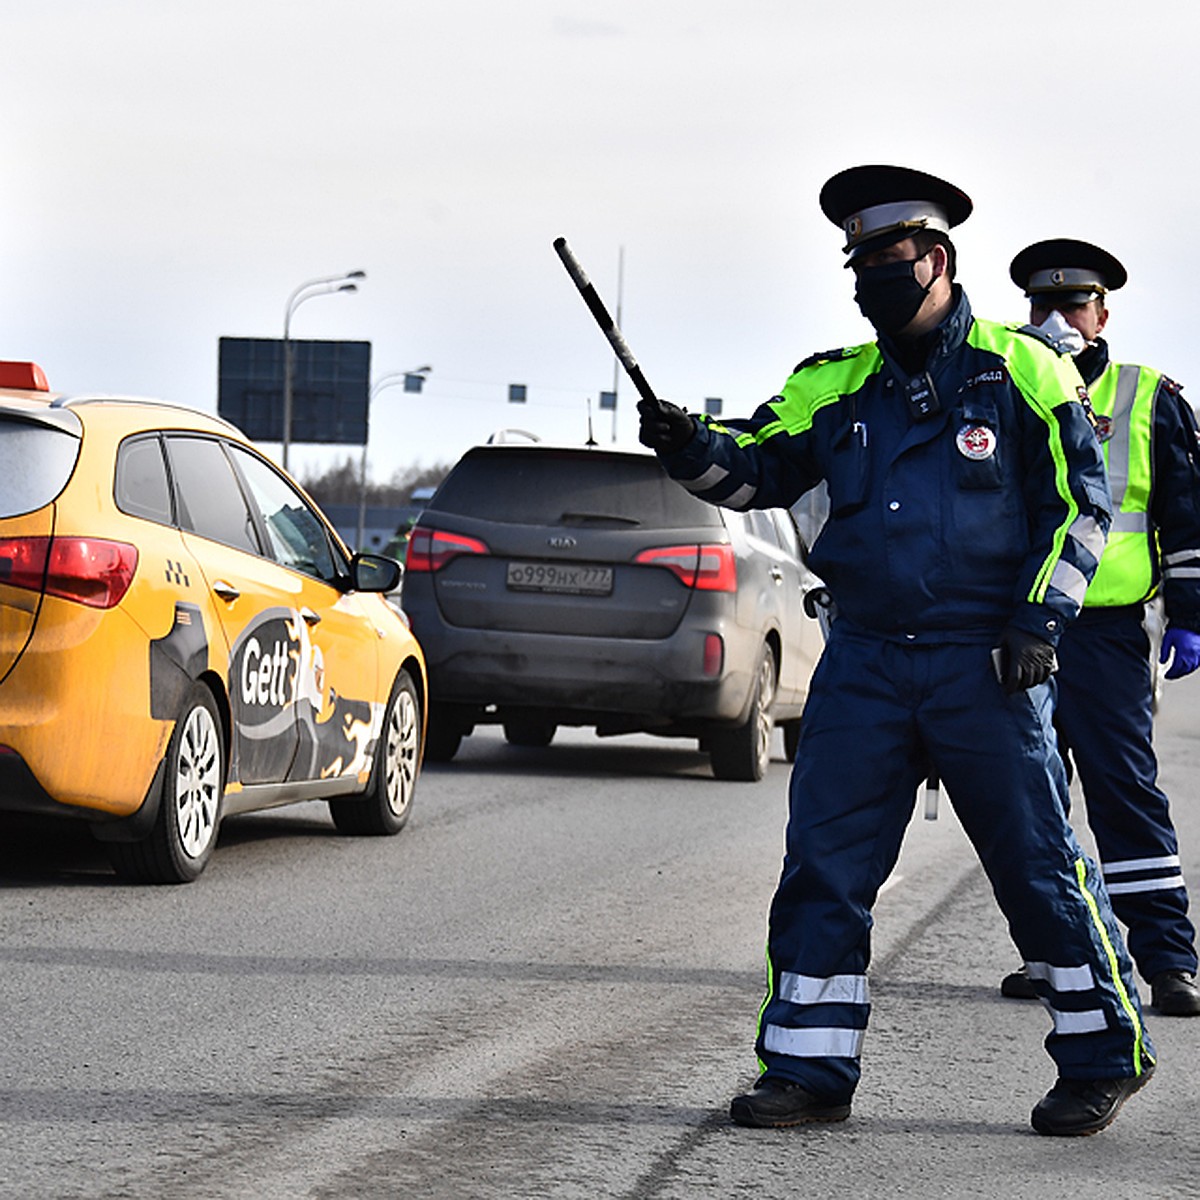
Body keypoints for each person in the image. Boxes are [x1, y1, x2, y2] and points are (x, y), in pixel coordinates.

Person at [638, 165, 1155, 1137]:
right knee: (822, 869)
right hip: (866, 660)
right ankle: (806, 1068)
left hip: (984, 662)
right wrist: (683, 445)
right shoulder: (831, 382)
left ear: (939, 259)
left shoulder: (1024, 371)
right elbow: (750, 471)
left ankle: (1103, 1051)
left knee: (1039, 868)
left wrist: (1041, 621)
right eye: (861, 263)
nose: (875, 276)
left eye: (892, 258)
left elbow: (1082, 508)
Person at [998, 239, 1200, 1016]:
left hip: (1109, 633)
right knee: (1032, 796)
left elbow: (1185, 520)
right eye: (1042, 307)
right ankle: (1056, 956)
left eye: (1073, 304)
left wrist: (1188, 617)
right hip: (1020, 628)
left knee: (1124, 791)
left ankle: (1168, 961)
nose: (1057, 320)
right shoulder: (1002, 383)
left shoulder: (1149, 395)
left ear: (1102, 312)